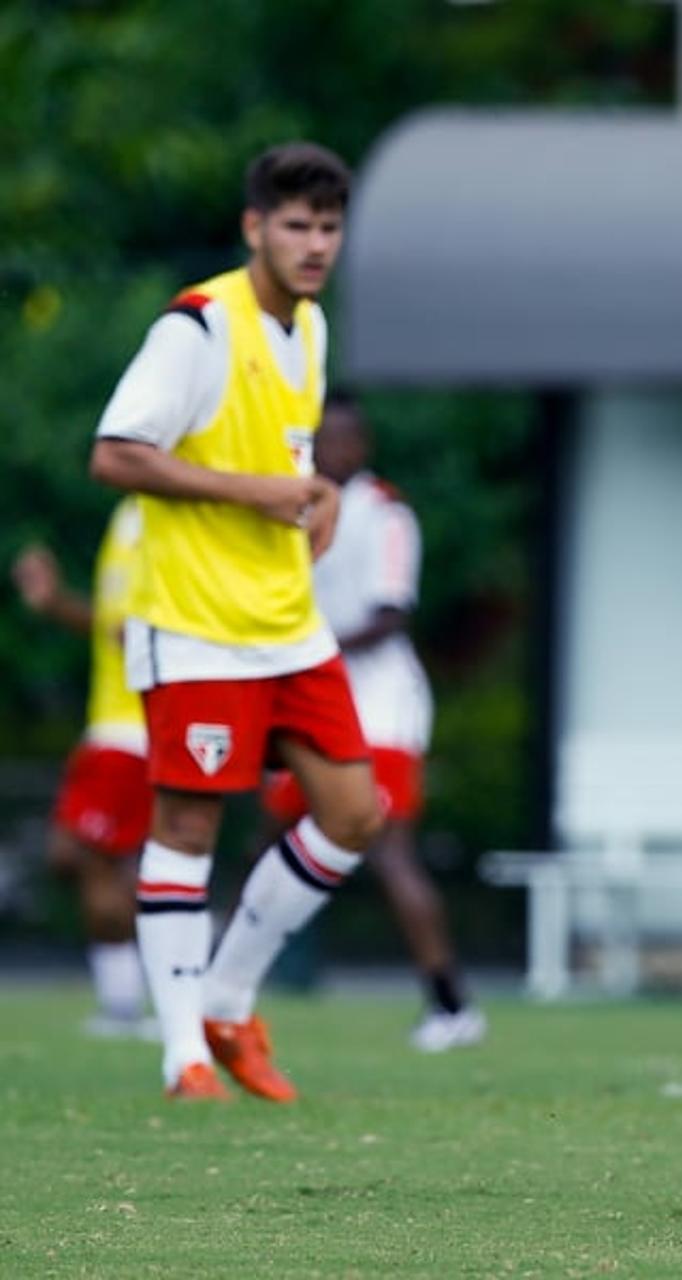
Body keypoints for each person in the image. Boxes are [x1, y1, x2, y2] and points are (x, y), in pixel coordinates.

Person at [89, 141, 383, 1103]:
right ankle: (182, 1055)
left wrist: (315, 495)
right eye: (295, 225)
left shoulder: (312, 328)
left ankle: (226, 996)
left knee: (353, 814)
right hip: (195, 622)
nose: (314, 245)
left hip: (287, 624)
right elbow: (118, 454)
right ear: (254, 227)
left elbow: (284, 460)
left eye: (329, 228)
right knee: (186, 824)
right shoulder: (199, 325)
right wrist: (255, 491)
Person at [259, 393, 486, 1052]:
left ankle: (451, 1005)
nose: (329, 449)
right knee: (267, 840)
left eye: (341, 439)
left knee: (389, 853)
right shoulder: (295, 508)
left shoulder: (385, 514)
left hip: (380, 707)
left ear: (361, 446)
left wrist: (315, 649)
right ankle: (216, 988)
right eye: (318, 438)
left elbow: (391, 614)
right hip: (315, 702)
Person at [11, 500, 154, 1037]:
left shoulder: (173, 515)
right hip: (112, 726)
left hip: (132, 729)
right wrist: (52, 601)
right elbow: (110, 626)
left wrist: (58, 603)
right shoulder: (125, 514)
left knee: (88, 858)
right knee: (85, 860)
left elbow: (133, 630)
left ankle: (129, 1001)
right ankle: (148, 983)